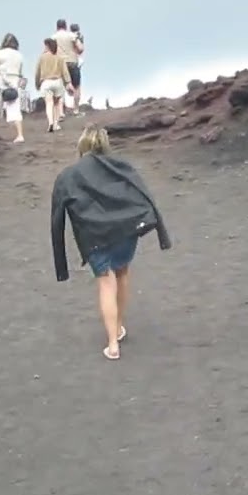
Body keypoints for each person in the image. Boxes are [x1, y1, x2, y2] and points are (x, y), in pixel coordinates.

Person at [51, 125, 171, 360]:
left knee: (106, 282)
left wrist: (61, 265)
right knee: (123, 273)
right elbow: (143, 193)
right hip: (126, 231)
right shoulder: (122, 166)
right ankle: (117, 327)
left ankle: (112, 345)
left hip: (94, 237)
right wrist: (152, 224)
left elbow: (57, 218)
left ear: (82, 145)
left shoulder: (67, 176)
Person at [0, 33, 26, 143]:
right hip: (15, 82)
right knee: (14, 109)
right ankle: (20, 135)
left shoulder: (0, 54)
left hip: (1, 82)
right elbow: (20, 72)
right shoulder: (19, 55)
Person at [35, 37, 74, 132]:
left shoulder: (42, 57)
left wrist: (37, 84)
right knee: (56, 105)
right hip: (57, 82)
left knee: (49, 103)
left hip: (46, 82)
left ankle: (50, 122)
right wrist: (68, 83)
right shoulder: (59, 58)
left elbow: (37, 72)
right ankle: (56, 124)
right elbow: (65, 72)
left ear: (47, 46)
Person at [50, 19, 84, 117]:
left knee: (60, 87)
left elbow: (49, 52)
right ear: (65, 26)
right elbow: (81, 49)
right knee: (77, 86)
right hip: (72, 63)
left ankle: (61, 112)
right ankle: (76, 110)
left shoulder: (53, 37)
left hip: (59, 64)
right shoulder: (72, 36)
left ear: (57, 27)